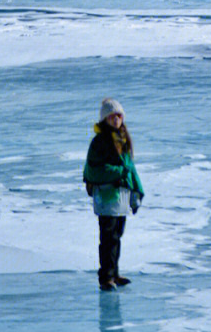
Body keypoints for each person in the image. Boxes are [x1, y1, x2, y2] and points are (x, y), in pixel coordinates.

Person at [83, 97, 144, 291]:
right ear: (105, 119)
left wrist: (137, 189)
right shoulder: (99, 142)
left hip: (121, 197)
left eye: (119, 115)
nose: (116, 119)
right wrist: (118, 174)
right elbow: (93, 170)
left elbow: (130, 168)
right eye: (112, 116)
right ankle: (106, 277)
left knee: (117, 235)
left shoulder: (123, 139)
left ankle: (114, 273)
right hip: (107, 196)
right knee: (108, 237)